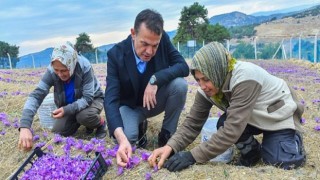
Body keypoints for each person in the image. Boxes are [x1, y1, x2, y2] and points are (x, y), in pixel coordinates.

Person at [149, 41, 306, 171]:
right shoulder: (207, 89)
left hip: (277, 114)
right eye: (198, 80)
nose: (202, 86)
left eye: (206, 79)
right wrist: (170, 147)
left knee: (281, 162)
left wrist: (192, 156)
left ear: (217, 71)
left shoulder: (244, 78)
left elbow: (232, 130)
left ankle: (293, 139)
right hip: (251, 115)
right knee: (223, 122)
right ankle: (252, 154)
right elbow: (192, 124)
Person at [104, 9, 189, 167]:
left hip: (154, 101)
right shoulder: (115, 55)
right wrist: (121, 139)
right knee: (127, 140)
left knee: (180, 85)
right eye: (144, 44)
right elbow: (110, 100)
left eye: (154, 45)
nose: (149, 51)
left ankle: (166, 136)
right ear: (133, 34)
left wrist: (155, 79)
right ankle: (138, 127)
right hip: (130, 106)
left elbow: (183, 67)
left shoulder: (163, 40)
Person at [18, 42, 106, 151]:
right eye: (56, 70)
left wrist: (67, 110)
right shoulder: (51, 71)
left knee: (83, 116)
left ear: (72, 64)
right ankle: (84, 122)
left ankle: (100, 123)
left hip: (93, 99)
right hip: (70, 104)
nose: (59, 74)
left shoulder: (84, 67)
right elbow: (36, 96)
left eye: (64, 70)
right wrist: (25, 126)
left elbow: (88, 98)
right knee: (59, 131)